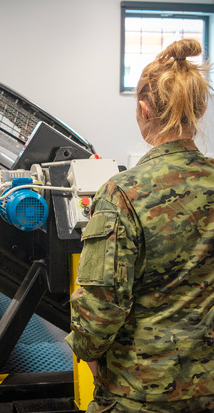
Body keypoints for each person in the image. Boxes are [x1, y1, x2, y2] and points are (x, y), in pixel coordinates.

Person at [65, 39, 214, 413]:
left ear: (143, 109)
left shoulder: (122, 193)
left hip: (142, 392)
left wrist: (89, 351)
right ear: (199, 108)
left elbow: (101, 308)